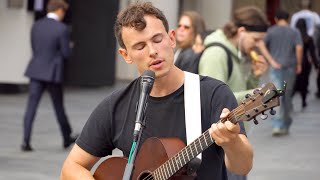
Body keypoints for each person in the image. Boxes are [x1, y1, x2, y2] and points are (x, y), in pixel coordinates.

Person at [60, 2, 253, 179]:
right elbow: (71, 167)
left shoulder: (213, 94)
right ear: (126, 55)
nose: (152, 51)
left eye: (157, 39)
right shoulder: (115, 105)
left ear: (171, 39)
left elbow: (242, 166)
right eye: (140, 46)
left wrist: (231, 142)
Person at [198, 6, 269, 180]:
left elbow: (231, 90)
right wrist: (254, 95)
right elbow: (212, 100)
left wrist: (253, 77)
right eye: (256, 39)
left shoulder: (233, 53)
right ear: (242, 31)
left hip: (232, 140)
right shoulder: (216, 54)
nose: (258, 46)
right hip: (219, 146)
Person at [21, 0, 77, 152]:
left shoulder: (36, 25)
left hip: (36, 70)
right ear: (59, 10)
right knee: (58, 106)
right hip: (53, 72)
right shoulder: (62, 29)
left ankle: (25, 141)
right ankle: (66, 137)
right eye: (63, 12)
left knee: (31, 107)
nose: (63, 15)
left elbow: (34, 48)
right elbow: (65, 53)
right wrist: (69, 48)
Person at [264, 10, 303, 136]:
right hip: (290, 67)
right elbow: (299, 48)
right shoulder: (294, 31)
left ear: (275, 18)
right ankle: (284, 123)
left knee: (276, 95)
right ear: (288, 18)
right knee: (286, 95)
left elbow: (262, 46)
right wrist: (299, 64)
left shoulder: (271, 31)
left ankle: (278, 125)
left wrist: (270, 61)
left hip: (275, 68)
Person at [293, 18, 319, 108]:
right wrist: (317, 66)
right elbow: (312, 53)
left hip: (293, 62)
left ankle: (289, 100)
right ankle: (303, 100)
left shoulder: (293, 37)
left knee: (293, 82)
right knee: (304, 82)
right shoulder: (308, 38)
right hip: (305, 63)